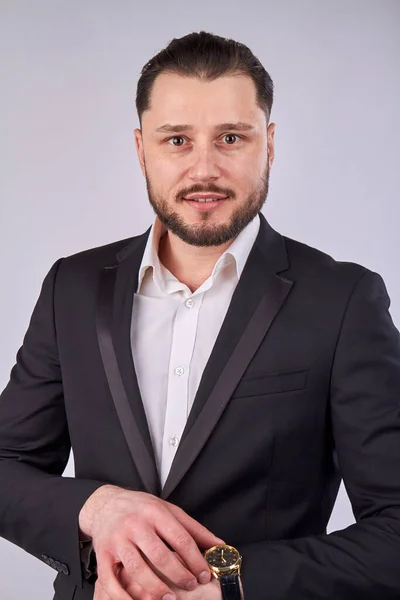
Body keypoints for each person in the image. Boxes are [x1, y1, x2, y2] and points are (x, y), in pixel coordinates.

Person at [1, 29, 400, 600]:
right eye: (177, 140)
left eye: (232, 138)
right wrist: (99, 507)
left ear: (269, 143)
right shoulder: (72, 287)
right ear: (141, 149)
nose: (205, 168)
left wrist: (228, 585)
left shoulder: (343, 301)